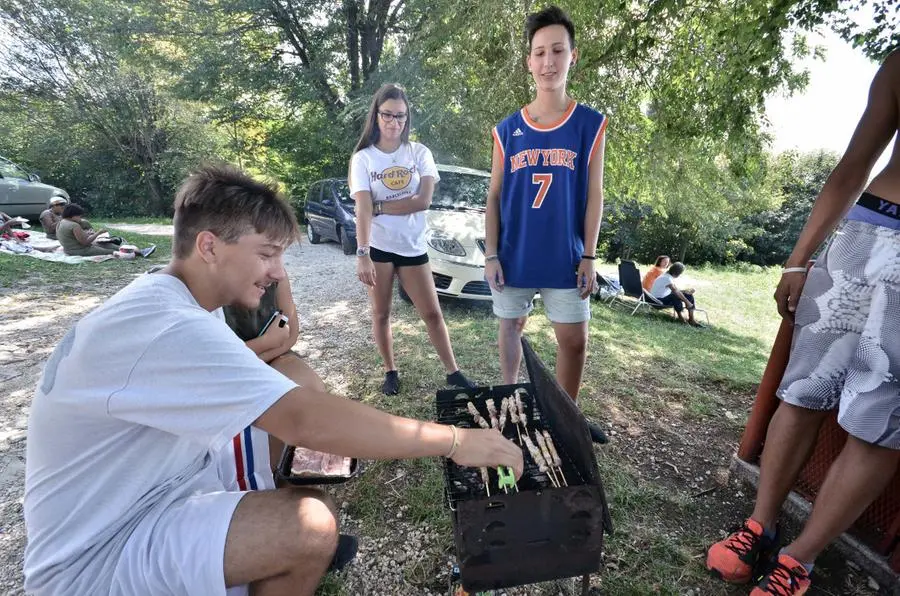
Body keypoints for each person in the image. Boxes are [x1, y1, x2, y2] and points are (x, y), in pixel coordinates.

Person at [24, 164, 523, 596]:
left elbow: (283, 391)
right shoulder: (169, 325)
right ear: (209, 246)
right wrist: (456, 440)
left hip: (157, 491)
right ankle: (283, 545)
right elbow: (305, 419)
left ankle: (263, 548)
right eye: (266, 254)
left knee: (293, 372)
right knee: (309, 525)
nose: (277, 272)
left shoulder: (177, 301)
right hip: (99, 557)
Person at [706, 50, 900, 596]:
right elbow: (856, 162)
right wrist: (798, 257)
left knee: (882, 422)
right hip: (865, 233)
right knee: (803, 390)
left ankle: (798, 561)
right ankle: (758, 527)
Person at [483, 5, 608, 443]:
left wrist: (589, 255)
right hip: (514, 253)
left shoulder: (590, 124)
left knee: (573, 342)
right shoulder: (506, 129)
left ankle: (565, 417)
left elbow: (595, 194)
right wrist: (492, 252)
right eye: (539, 52)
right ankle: (513, 399)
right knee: (510, 327)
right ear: (529, 61)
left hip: (566, 255)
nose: (548, 61)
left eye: (557, 50)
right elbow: (495, 194)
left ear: (573, 56)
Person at [349, 83, 477, 395]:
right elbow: (362, 208)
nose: (394, 123)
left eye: (401, 117)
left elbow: (423, 201)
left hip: (413, 247)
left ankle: (453, 372)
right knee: (381, 313)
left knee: (432, 312)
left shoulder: (419, 153)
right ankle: (390, 370)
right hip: (379, 248)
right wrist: (362, 252)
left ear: (408, 119)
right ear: (376, 115)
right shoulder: (364, 159)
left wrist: (381, 206)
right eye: (388, 115)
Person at [218, 280, 328, 492]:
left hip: (268, 356)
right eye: (267, 253)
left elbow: (290, 335)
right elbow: (211, 362)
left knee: (309, 392)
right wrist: (266, 342)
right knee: (267, 405)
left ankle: (295, 483)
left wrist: (258, 356)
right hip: (228, 370)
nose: (277, 268)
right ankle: (266, 487)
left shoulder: (277, 274)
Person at [56, 203, 156, 258]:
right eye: (79, 216)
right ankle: (139, 253)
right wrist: (98, 233)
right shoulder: (74, 225)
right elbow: (85, 243)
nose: (80, 218)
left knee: (110, 245)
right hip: (80, 250)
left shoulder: (61, 222)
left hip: (71, 249)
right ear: (73, 215)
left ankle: (141, 251)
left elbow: (71, 237)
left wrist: (87, 234)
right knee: (112, 251)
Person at [649, 262, 702, 327]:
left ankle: (691, 319)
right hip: (657, 300)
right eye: (680, 273)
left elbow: (672, 290)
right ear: (677, 273)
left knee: (688, 295)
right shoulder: (666, 278)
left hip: (664, 298)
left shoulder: (667, 276)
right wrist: (687, 302)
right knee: (675, 296)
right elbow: (675, 291)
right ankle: (681, 319)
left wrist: (685, 291)